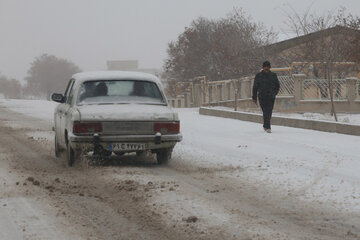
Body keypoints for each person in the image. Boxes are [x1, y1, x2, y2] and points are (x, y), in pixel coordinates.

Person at [252, 61, 280, 133]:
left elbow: (277, 86)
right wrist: (254, 97)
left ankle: (266, 126)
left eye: (268, 66)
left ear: (270, 67)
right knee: (265, 111)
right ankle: (267, 127)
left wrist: (274, 93)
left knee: (269, 111)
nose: (266, 68)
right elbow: (255, 87)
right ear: (263, 67)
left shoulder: (273, 75)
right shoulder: (258, 76)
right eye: (265, 66)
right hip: (262, 96)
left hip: (271, 97)